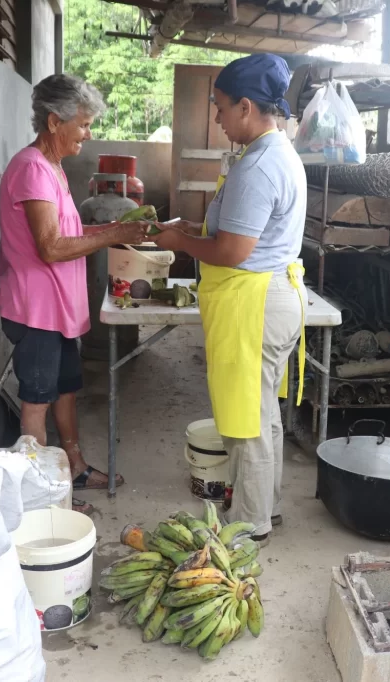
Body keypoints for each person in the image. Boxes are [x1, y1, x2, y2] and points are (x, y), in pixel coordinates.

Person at [148, 54, 307, 545]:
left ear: (245, 106)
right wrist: (191, 228)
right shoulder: (272, 152)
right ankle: (268, 506)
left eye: (219, 108)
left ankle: (250, 524)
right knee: (262, 416)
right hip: (269, 296)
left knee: (246, 423)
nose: (216, 118)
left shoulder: (259, 166)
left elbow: (233, 251)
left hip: (255, 303)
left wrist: (179, 244)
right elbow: (237, 232)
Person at [0, 74, 150, 511]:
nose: (88, 133)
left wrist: (122, 229)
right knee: (37, 401)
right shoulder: (30, 169)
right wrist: (115, 231)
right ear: (53, 122)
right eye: (82, 124)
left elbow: (72, 231)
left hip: (58, 308)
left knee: (65, 389)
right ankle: (41, 499)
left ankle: (74, 467)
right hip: (35, 309)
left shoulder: (54, 169)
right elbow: (51, 246)